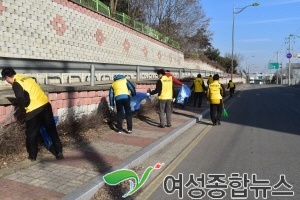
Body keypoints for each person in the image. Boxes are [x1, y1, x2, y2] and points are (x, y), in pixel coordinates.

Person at [1, 67, 63, 161]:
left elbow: (21, 99)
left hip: (34, 110)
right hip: (45, 105)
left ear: (7, 77)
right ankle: (59, 152)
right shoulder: (26, 78)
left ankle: (32, 156)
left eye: (6, 80)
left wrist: (22, 110)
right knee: (52, 130)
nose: (7, 82)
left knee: (31, 134)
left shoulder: (16, 83)